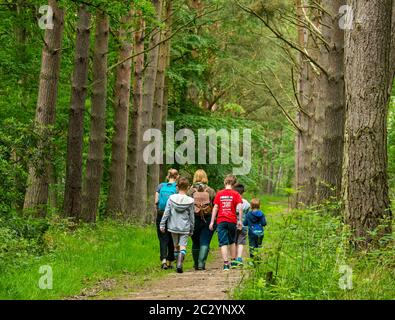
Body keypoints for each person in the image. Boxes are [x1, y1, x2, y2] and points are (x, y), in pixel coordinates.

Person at [160, 177, 195, 273]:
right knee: (183, 246)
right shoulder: (190, 201)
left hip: (173, 226)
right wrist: (192, 228)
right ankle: (180, 264)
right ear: (188, 187)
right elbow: (192, 216)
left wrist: (162, 224)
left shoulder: (171, 198)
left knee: (176, 246)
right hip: (184, 227)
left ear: (177, 186)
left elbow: (166, 213)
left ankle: (177, 264)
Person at [209, 175, 243, 271]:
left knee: (223, 242)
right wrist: (240, 220)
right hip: (232, 220)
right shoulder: (236, 194)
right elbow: (240, 207)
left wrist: (212, 221)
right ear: (234, 184)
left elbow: (215, 207)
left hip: (221, 221)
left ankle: (225, 264)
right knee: (232, 241)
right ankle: (233, 261)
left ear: (225, 182)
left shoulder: (219, 194)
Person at [187, 169, 216, 271]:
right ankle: (201, 264)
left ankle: (195, 264)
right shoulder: (211, 191)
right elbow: (215, 206)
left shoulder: (190, 191)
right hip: (208, 219)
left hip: (193, 219)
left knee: (195, 242)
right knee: (205, 241)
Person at [155, 169, 179, 270]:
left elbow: (156, 201)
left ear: (168, 176)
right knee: (171, 238)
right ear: (177, 176)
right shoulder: (177, 188)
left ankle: (163, 261)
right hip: (172, 215)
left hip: (161, 214)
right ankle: (170, 261)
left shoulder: (160, 186)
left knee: (162, 238)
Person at [232, 183, 250, 267]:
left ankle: (234, 259)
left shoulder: (232, 202)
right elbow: (248, 214)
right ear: (243, 192)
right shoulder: (246, 203)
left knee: (234, 242)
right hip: (243, 225)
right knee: (241, 242)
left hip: (233, 225)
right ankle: (239, 258)